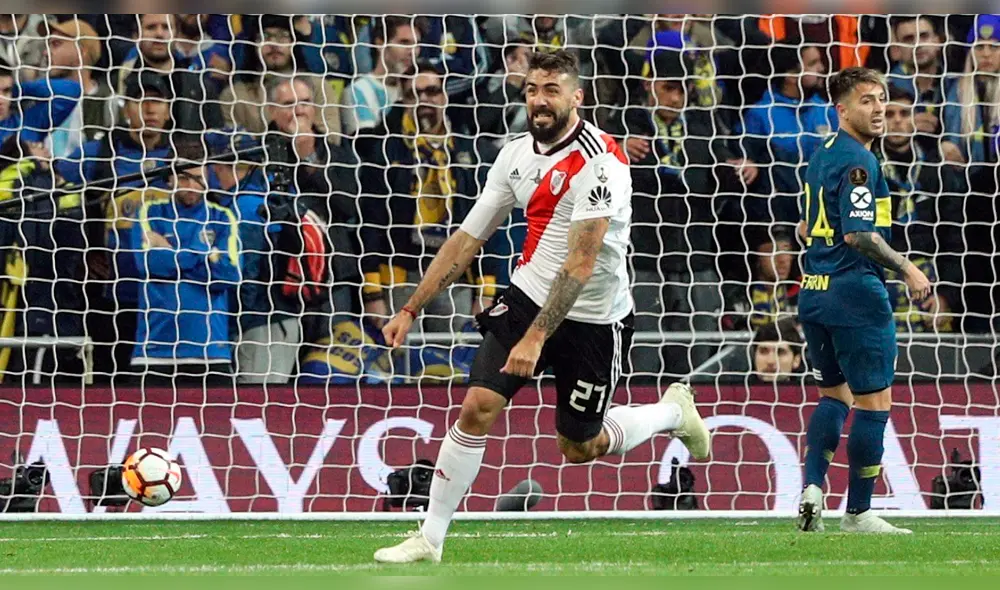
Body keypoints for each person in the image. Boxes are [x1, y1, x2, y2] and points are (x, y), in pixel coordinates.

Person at [372, 49, 710, 564]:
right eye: (532, 89)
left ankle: (670, 411)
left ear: (578, 97)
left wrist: (536, 338)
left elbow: (581, 262)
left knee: (579, 448)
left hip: (595, 317)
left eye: (552, 90)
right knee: (476, 408)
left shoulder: (602, 163)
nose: (539, 101)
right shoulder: (513, 155)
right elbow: (468, 238)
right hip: (529, 294)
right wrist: (411, 308)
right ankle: (430, 538)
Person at [796, 67, 931, 534]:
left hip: (813, 294)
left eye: (882, 100)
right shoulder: (860, 162)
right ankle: (858, 511)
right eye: (867, 101)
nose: (878, 110)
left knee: (834, 396)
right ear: (842, 109)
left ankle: (812, 487)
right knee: (874, 404)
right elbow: (858, 235)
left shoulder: (821, 154)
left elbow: (803, 228)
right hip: (856, 294)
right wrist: (909, 268)